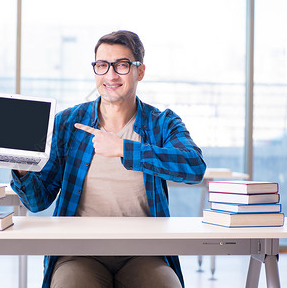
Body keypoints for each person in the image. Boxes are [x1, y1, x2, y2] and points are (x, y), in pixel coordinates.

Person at [11, 30, 206, 288]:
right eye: (102, 66)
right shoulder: (68, 123)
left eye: (122, 65)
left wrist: (125, 149)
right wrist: (22, 166)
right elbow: (38, 202)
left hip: (144, 253)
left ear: (141, 71)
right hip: (79, 253)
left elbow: (194, 167)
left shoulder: (162, 123)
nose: (111, 75)